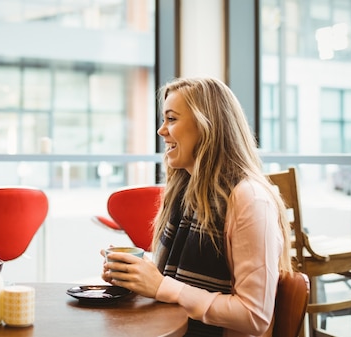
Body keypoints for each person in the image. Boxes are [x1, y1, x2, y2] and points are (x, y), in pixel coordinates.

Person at [102, 77, 293, 337]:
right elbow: (172, 281)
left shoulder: (249, 199)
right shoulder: (185, 192)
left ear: (207, 127)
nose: (161, 130)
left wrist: (160, 286)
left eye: (171, 119)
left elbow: (254, 316)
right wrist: (135, 274)